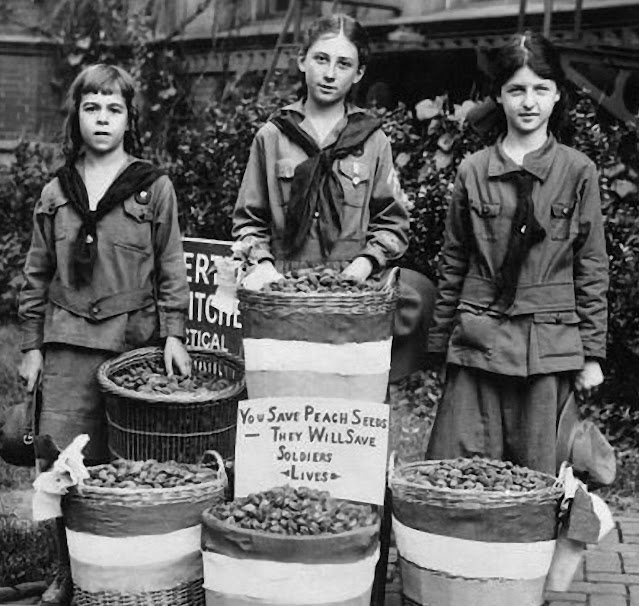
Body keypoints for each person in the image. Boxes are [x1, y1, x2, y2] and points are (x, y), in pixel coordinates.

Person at [232, 13, 432, 605]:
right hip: (283, 310)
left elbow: (394, 221)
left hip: (352, 311)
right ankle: (280, 573)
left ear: (359, 73)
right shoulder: (271, 137)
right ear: (302, 61)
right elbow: (247, 221)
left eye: (344, 63)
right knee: (283, 438)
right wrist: (262, 265)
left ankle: (355, 572)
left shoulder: (373, 141)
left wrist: (365, 265)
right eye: (321, 58)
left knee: (349, 443)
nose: (329, 72)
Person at [17, 63, 191, 606]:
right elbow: (37, 273)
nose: (102, 118)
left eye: (114, 109)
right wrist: (32, 346)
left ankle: (126, 576)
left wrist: (173, 334)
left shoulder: (152, 188)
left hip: (131, 349)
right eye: (91, 107)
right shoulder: (56, 191)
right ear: (77, 116)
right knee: (60, 461)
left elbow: (171, 266)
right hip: (66, 347)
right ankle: (66, 569)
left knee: (129, 461)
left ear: (129, 119)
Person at [425, 33, 609, 475]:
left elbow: (591, 265)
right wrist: (440, 346)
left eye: (541, 89)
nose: (529, 102)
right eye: (516, 90)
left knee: (540, 477)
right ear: (499, 95)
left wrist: (591, 354)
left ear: (557, 93)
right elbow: (454, 261)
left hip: (548, 345)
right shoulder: (473, 171)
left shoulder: (577, 171)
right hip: (478, 342)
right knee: (459, 474)